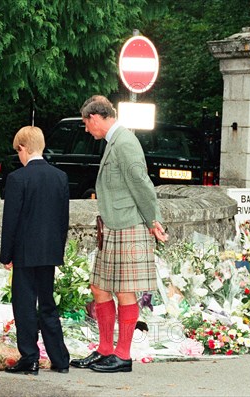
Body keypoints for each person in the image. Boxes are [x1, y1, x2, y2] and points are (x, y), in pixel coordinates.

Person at [69, 96, 167, 373]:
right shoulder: (114, 142)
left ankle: (122, 356)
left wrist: (153, 220)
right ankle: (104, 350)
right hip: (113, 226)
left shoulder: (125, 142)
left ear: (96, 118)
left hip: (129, 225)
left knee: (125, 292)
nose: (87, 130)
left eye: (87, 124)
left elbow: (141, 183)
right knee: (99, 288)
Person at [0, 126, 71, 375]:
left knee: (25, 305)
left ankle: (30, 357)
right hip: (49, 252)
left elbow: (11, 221)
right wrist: (57, 250)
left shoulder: (17, 179)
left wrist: (5, 255)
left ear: (22, 148)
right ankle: (60, 359)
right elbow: (64, 220)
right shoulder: (60, 177)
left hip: (24, 252)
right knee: (48, 304)